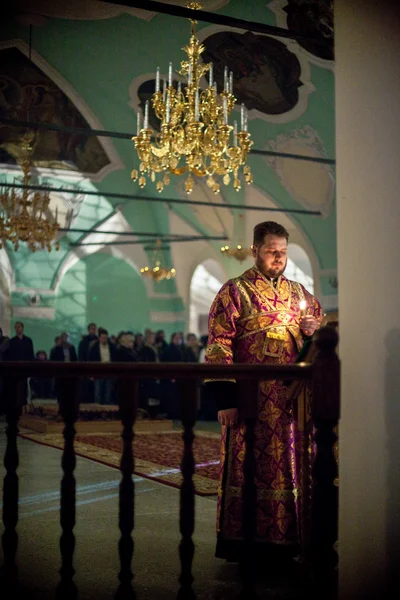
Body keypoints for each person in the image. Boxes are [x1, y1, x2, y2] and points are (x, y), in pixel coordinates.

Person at [205, 221, 322, 563]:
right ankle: (246, 542)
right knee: (249, 466)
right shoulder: (234, 291)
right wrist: (225, 398)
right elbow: (218, 346)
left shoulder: (300, 294)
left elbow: (318, 337)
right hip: (250, 400)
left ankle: (290, 539)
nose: (278, 258)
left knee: (291, 465)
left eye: (283, 252)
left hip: (291, 401)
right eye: (271, 251)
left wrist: (311, 331)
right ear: (255, 250)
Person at [88, 329, 117, 404]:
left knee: (108, 394)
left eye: (105, 338)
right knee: (97, 394)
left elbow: (115, 359)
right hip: (98, 372)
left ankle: (106, 413)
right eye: (102, 338)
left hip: (109, 372)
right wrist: (91, 374)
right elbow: (91, 361)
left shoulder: (112, 347)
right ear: (99, 338)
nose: (104, 339)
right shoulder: (94, 347)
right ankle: (97, 412)